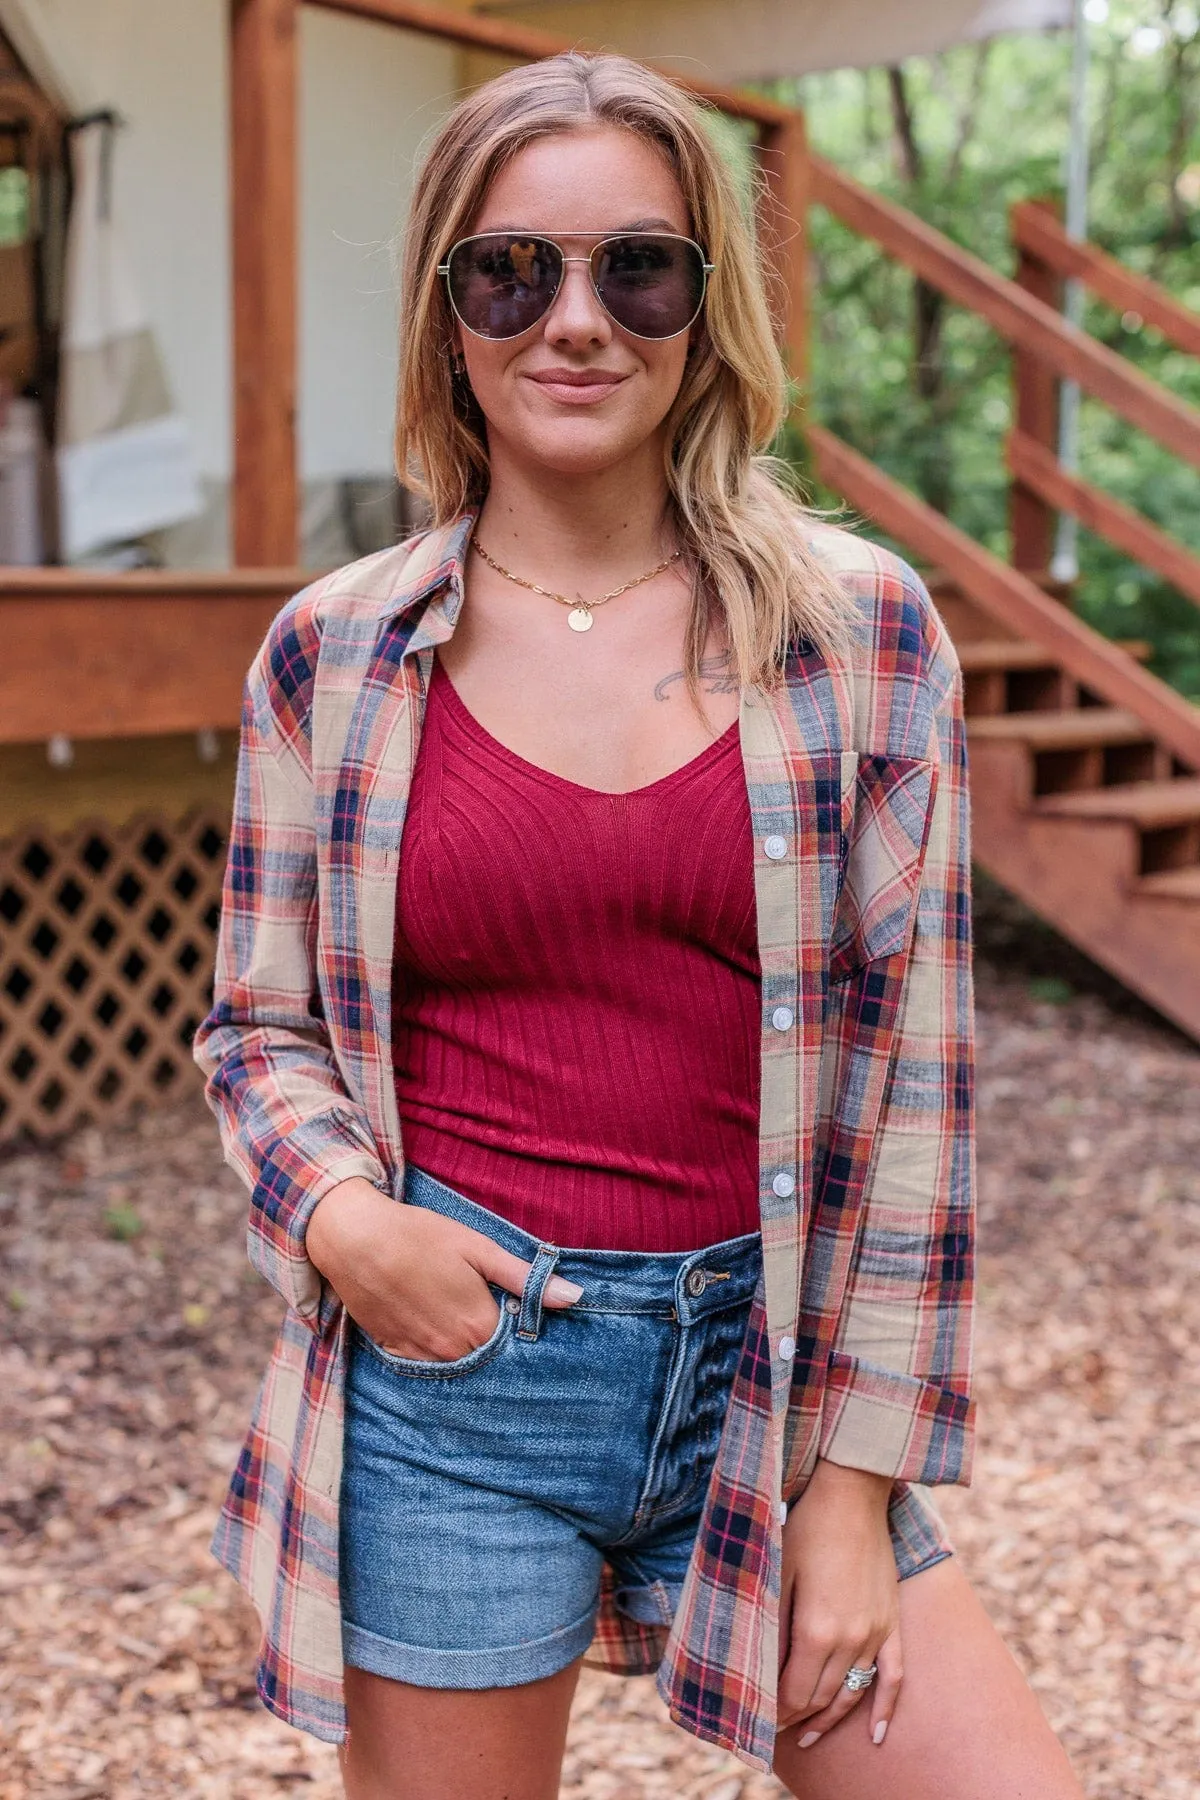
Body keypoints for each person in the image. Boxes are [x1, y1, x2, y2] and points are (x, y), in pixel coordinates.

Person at [195, 50, 1085, 1800]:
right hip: (461, 1380)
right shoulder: (335, 654)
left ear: (709, 309)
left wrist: (849, 1488)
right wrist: (349, 1220)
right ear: (448, 312)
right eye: (512, 272)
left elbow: (918, 1089)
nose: (576, 322)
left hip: (771, 1372)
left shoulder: (865, 640)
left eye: (640, 268)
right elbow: (258, 1023)